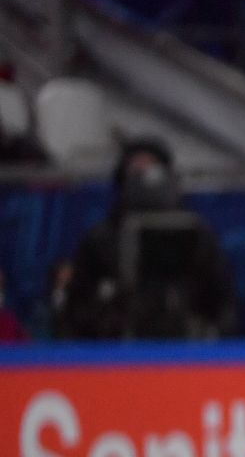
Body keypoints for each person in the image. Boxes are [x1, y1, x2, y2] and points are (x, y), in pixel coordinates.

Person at [63, 139, 235, 340]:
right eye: (137, 170)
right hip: (118, 349)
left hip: (186, 345)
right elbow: (78, 305)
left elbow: (222, 299)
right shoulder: (101, 238)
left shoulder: (196, 233)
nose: (145, 177)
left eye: (152, 167)